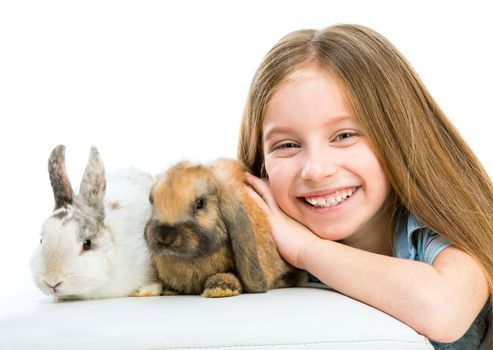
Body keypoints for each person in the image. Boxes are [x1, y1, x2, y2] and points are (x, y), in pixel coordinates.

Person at [238, 24, 492, 349]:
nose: (316, 169)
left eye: (344, 136)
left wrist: (307, 250)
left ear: (398, 135)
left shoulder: (437, 225)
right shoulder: (265, 247)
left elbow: (442, 310)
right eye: (287, 145)